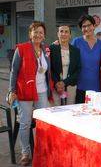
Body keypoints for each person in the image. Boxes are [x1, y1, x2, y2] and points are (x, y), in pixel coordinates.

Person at [8, 21, 52, 166]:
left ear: (44, 35)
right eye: (35, 32)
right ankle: (26, 153)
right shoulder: (21, 49)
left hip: (42, 91)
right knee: (25, 123)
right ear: (30, 34)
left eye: (41, 32)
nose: (38, 34)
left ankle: (41, 150)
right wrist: (12, 91)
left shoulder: (45, 50)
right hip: (25, 91)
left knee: (42, 122)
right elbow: (14, 71)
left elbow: (47, 71)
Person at [71, 14, 101, 103]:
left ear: (94, 26)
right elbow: (66, 54)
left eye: (89, 25)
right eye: (84, 26)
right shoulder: (76, 42)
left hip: (96, 87)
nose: (87, 28)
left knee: (95, 115)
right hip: (79, 87)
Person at [50, 25, 81, 105]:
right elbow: (50, 68)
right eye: (61, 31)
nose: (64, 34)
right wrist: (57, 83)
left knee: (69, 110)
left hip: (70, 84)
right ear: (58, 34)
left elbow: (78, 69)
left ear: (70, 35)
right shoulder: (51, 48)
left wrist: (64, 83)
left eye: (66, 32)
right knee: (56, 110)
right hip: (56, 85)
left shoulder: (75, 51)